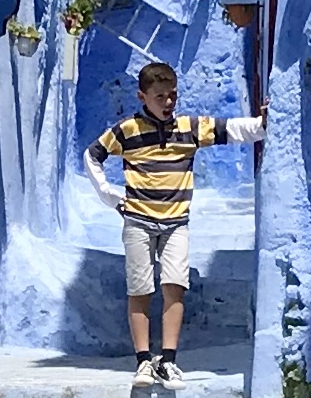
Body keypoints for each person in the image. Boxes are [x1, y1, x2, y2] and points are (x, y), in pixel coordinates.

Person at [87, 59, 264, 379]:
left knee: (175, 286)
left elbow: (232, 130)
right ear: (142, 97)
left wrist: (263, 124)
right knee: (140, 289)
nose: (168, 103)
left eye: (172, 96)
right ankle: (143, 360)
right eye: (160, 97)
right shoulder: (126, 131)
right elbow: (93, 155)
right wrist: (109, 195)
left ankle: (168, 358)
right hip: (138, 221)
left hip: (176, 223)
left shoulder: (188, 128)